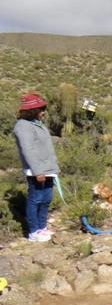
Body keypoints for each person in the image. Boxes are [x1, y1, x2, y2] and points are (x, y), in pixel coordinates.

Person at [13, 93, 59, 242]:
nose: (43, 112)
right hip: (36, 170)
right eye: (41, 109)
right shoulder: (23, 126)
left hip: (48, 169)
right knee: (36, 199)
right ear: (32, 110)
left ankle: (42, 228)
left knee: (46, 199)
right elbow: (28, 150)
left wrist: (53, 168)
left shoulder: (37, 123)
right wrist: (38, 171)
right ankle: (33, 232)